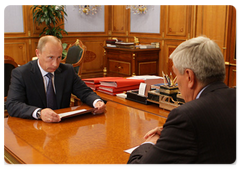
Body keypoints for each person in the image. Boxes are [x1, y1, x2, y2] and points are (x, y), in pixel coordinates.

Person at [127, 36, 237, 164]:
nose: (176, 81)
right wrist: (172, 134)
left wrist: (149, 143)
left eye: (176, 74)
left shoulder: (186, 116)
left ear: (189, 77)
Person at [6, 35, 106, 123]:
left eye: (59, 57)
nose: (55, 64)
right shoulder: (21, 73)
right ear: (38, 53)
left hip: (62, 126)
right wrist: (39, 113)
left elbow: (85, 92)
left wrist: (97, 102)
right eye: (50, 57)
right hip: (33, 127)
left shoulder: (67, 71)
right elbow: (13, 105)